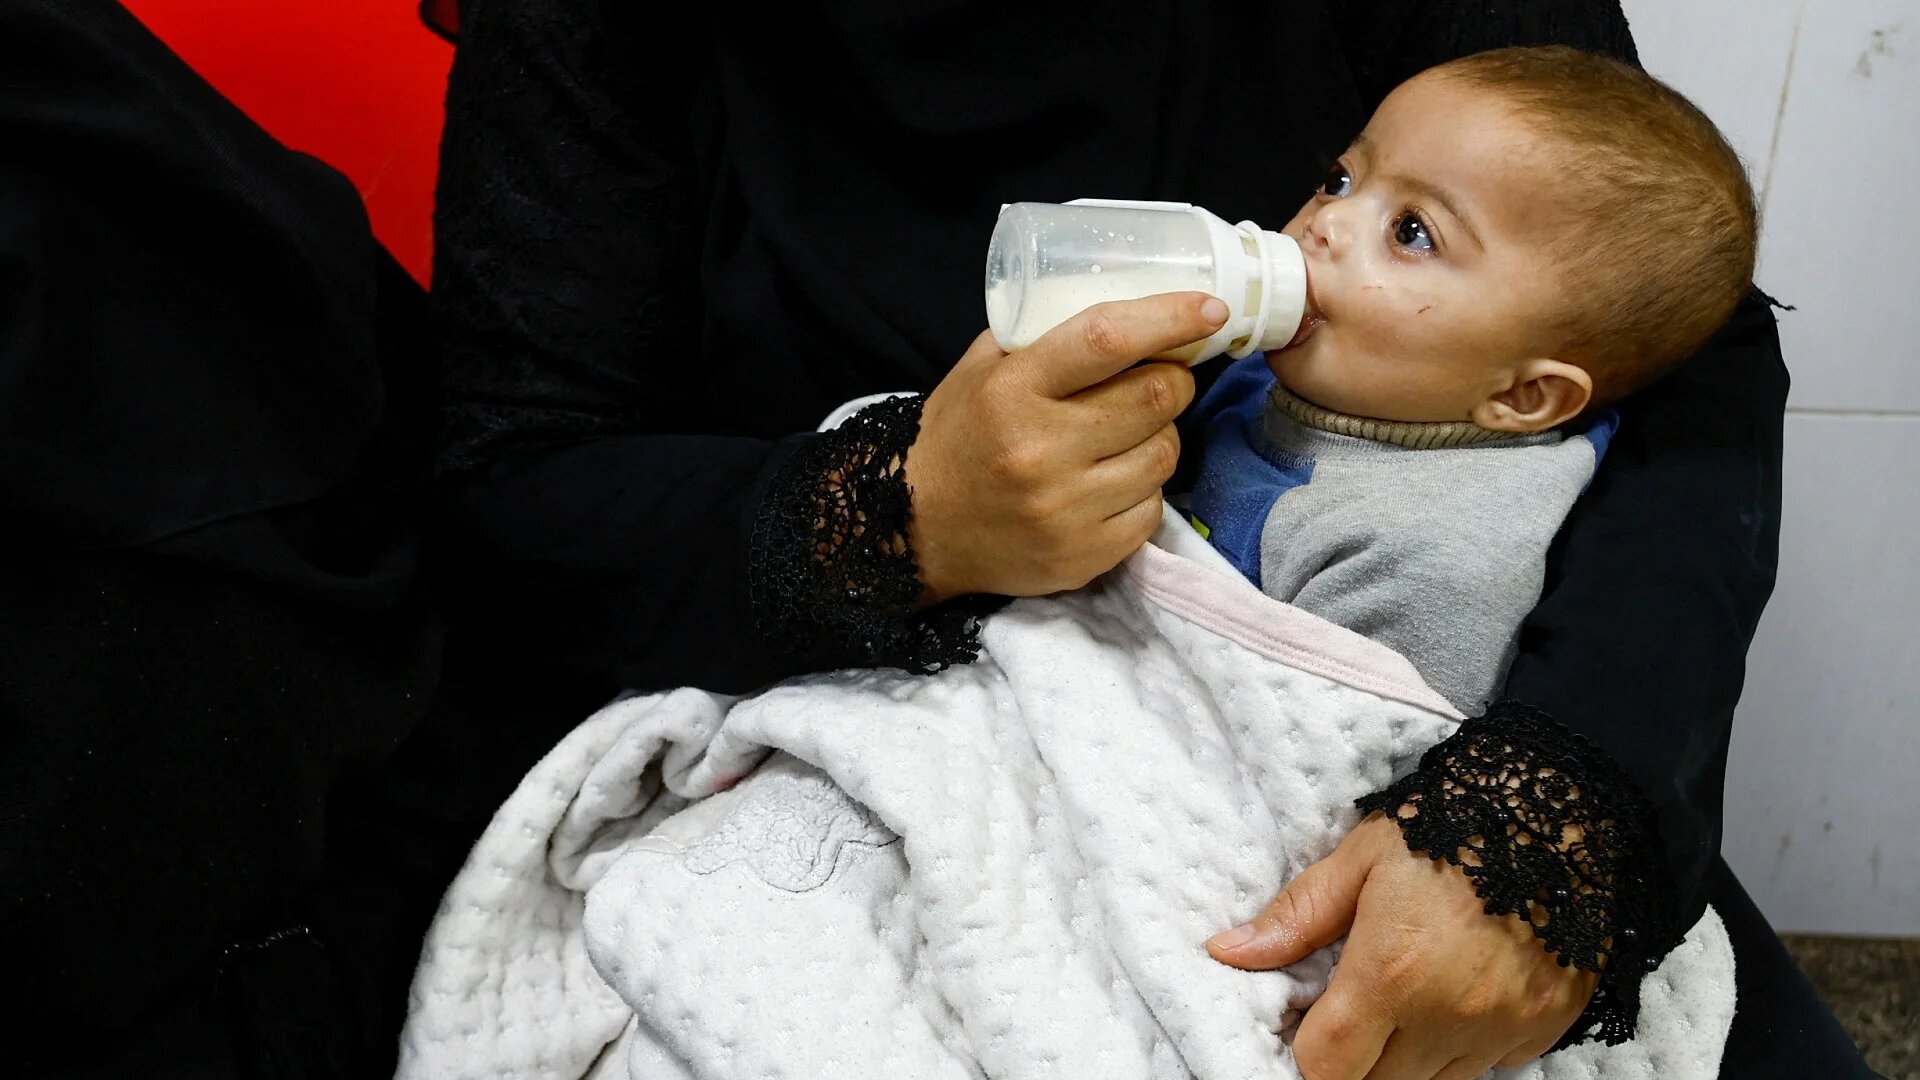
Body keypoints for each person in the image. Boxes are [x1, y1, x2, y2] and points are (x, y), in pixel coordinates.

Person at [425, 2, 1874, 1077]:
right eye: (1336, 181)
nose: (1321, 236)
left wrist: (1555, 814)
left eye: (1406, 226)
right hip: (834, 678)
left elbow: (1677, 348)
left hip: (1450, 761)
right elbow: (518, 483)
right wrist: (902, 518)